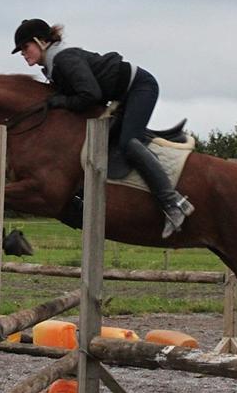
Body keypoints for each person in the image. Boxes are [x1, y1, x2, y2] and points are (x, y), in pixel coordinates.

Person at [11, 18, 194, 236]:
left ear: (41, 42)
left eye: (25, 47)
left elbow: (90, 94)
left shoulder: (64, 59)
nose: (23, 53)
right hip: (122, 94)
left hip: (139, 87)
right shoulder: (53, 64)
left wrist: (59, 102)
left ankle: (174, 203)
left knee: (128, 144)